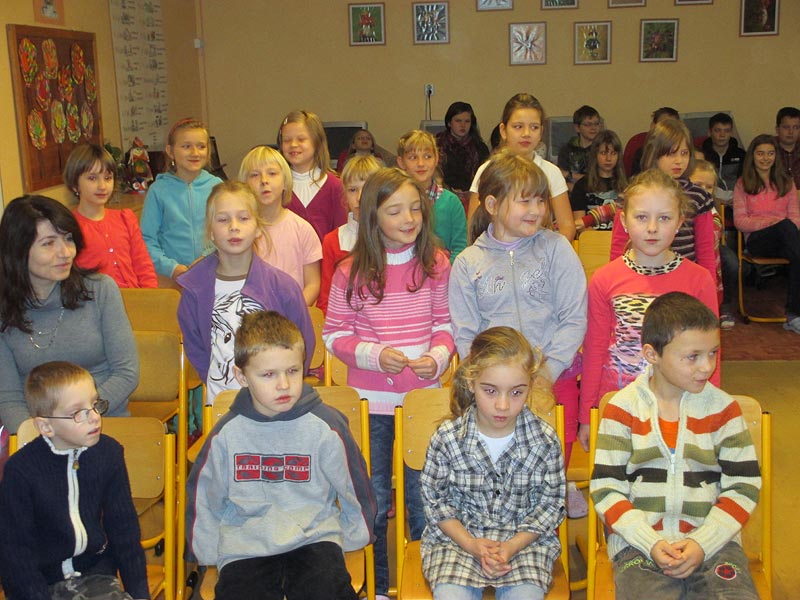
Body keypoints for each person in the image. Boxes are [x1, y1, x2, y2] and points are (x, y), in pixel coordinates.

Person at [322, 167, 454, 600]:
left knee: (424, 501)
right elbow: (334, 335)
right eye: (395, 211)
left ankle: (426, 585)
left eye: (415, 208)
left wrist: (437, 358)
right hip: (370, 404)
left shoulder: (436, 263)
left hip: (422, 403)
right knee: (375, 500)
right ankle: (377, 588)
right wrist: (375, 355)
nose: (409, 218)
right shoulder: (350, 271)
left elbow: (446, 326)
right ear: (372, 216)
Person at [186, 311, 376, 600]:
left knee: (327, 591)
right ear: (242, 376)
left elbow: (354, 486)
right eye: (268, 375)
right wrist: (209, 551)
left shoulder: (326, 426)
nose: (284, 385)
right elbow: (205, 496)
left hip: (314, 539)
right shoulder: (226, 434)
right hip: (245, 545)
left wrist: (352, 537)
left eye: (293, 371)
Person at [590, 292, 761, 600]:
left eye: (713, 353)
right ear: (652, 354)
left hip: (715, 544)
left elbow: (743, 486)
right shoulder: (622, 410)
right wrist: (649, 542)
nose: (706, 367)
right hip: (639, 546)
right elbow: (607, 489)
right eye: (692, 356)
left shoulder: (724, 410)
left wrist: (703, 542)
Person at [450, 150, 586, 514]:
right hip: (497, 390)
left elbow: (574, 317)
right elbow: (466, 334)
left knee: (549, 472)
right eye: (525, 201)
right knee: (502, 479)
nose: (537, 210)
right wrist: (492, 382)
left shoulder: (556, 249)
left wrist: (546, 372)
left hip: (554, 379)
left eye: (541, 200)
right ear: (492, 204)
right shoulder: (468, 263)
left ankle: (554, 505)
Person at [577, 170, 719, 452]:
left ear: (679, 222)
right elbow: (594, 349)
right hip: (618, 403)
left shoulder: (699, 280)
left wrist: (710, 410)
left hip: (681, 405)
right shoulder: (604, 279)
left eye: (664, 218)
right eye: (641, 217)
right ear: (624, 221)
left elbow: (711, 353)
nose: (652, 228)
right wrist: (587, 415)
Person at [420, 326, 566, 600]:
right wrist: (470, 543)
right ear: (471, 383)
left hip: (524, 545)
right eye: (490, 391)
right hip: (457, 543)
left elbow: (550, 505)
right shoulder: (447, 438)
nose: (502, 405)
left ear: (530, 386)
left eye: (516, 393)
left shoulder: (545, 441)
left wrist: (512, 546)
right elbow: (435, 503)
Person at [0, 362, 149, 600]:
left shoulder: (109, 454)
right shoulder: (20, 471)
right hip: (38, 582)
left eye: (94, 404)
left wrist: (139, 594)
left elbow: (125, 531)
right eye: (77, 413)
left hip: (95, 575)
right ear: (46, 426)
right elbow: (16, 552)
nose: (95, 417)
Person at [0, 196, 138, 435]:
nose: (65, 252)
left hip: (102, 423)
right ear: (19, 250)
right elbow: (8, 398)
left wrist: (79, 419)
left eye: (68, 239)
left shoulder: (100, 290)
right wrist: (39, 438)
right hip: (39, 434)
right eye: (48, 243)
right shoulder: (5, 309)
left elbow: (126, 373)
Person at [177, 181, 313, 406]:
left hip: (276, 404)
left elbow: (303, 343)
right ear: (210, 231)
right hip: (222, 403)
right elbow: (196, 348)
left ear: (258, 227)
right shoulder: (194, 289)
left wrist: (285, 388)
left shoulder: (282, 287)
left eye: (243, 218)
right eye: (223, 219)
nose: (234, 227)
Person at [611, 118, 717, 288]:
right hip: (640, 282)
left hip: (684, 283)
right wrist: (616, 283)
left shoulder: (699, 196)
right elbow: (619, 246)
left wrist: (708, 287)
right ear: (655, 154)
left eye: (684, 153)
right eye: (671, 153)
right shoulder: (632, 193)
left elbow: (706, 251)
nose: (679, 161)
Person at [468, 93, 576, 241]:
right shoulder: (487, 170)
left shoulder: (551, 172)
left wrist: (551, 252)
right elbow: (474, 225)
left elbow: (567, 226)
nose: (526, 134)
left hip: (540, 250)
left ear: (541, 132)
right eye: (518, 127)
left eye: (534, 127)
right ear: (503, 130)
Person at [140, 118, 223, 281]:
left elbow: (226, 231)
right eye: (186, 146)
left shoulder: (217, 187)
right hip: (170, 279)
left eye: (201, 146)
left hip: (213, 273)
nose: (195, 153)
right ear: (170, 151)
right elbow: (146, 239)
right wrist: (171, 268)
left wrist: (208, 258)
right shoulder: (158, 190)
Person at [65, 144, 157, 288]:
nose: (102, 186)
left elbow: (143, 265)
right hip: (95, 300)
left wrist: (150, 296)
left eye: (108, 178)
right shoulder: (68, 226)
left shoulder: (125, 218)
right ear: (74, 184)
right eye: (92, 178)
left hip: (136, 298)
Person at [733, 134, 800, 333]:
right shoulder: (742, 184)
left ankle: (794, 315)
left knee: (796, 251)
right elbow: (740, 222)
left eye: (770, 153)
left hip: (787, 240)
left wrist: (782, 226)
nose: (765, 158)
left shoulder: (787, 183)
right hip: (758, 240)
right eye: (760, 153)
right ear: (752, 156)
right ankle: (794, 315)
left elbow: (796, 219)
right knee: (787, 229)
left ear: (776, 156)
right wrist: (773, 223)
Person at [239, 145, 322, 306]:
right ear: (245, 185)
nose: (264, 180)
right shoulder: (240, 231)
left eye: (272, 173)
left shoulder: (302, 229)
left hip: (292, 315)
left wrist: (295, 311)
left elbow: (313, 284)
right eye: (255, 175)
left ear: (285, 182)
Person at [318, 155, 383, 314]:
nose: (360, 197)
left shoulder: (394, 237)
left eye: (367, 189)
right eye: (352, 190)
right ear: (344, 195)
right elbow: (326, 298)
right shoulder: (333, 240)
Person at [397, 129, 467, 263]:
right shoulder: (394, 202)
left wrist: (444, 271)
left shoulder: (451, 202)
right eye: (413, 158)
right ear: (401, 162)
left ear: (436, 159)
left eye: (427, 156)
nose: (421, 163)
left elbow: (460, 248)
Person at [278, 109, 347, 241]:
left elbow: (341, 238)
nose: (293, 145)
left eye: (301, 139)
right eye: (287, 140)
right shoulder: (276, 187)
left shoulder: (335, 186)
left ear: (317, 142)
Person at [689, 160, 739, 329]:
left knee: (731, 262)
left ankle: (724, 305)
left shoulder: (711, 209)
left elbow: (712, 238)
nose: (703, 190)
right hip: (689, 254)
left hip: (711, 253)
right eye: (698, 185)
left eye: (709, 187)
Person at [571, 130, 627, 234]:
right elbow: (579, 225)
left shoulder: (628, 185)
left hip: (619, 238)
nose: (608, 158)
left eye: (613, 153)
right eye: (603, 153)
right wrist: (599, 238)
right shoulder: (581, 186)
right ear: (595, 155)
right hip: (592, 239)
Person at [435, 101, 490, 201]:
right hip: (442, 196)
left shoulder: (480, 148)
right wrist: (450, 191)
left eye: (467, 121)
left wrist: (472, 193)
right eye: (458, 121)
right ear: (449, 123)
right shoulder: (436, 146)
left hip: (474, 197)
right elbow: (433, 175)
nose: (463, 125)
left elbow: (486, 177)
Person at [699, 112, 745, 203]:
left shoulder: (741, 155)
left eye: (726, 131)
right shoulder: (702, 155)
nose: (722, 135)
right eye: (717, 130)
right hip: (709, 200)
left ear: (731, 133)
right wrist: (713, 199)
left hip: (737, 200)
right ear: (709, 132)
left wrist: (739, 198)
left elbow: (747, 180)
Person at [558, 104, 602, 192]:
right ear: (577, 128)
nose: (593, 128)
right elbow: (561, 178)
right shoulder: (566, 150)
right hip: (571, 193)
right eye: (588, 124)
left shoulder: (602, 149)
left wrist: (570, 175)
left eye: (596, 124)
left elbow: (600, 180)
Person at [627, 107, 680, 177]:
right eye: (663, 125)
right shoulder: (643, 153)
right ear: (652, 126)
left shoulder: (682, 150)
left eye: (672, 126)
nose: (667, 130)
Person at [774, 106, 800, 189]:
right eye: (786, 127)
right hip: (774, 195)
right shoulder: (767, 149)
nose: (791, 132)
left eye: (796, 127)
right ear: (777, 129)